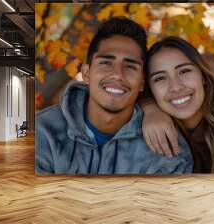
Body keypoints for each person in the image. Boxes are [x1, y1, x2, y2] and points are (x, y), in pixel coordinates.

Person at [35, 17, 193, 174]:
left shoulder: (167, 149)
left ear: (142, 82)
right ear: (86, 73)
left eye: (130, 66)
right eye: (106, 63)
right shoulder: (41, 132)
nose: (118, 75)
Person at [141, 36, 214, 174]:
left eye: (184, 71)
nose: (176, 87)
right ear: (150, 90)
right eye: (160, 78)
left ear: (203, 75)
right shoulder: (140, 125)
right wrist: (149, 108)